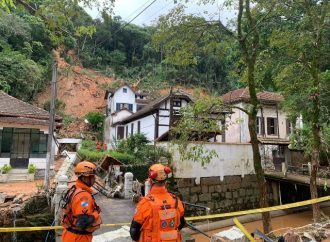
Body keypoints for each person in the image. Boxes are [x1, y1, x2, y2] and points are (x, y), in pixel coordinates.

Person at [130, 163, 186, 242]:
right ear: (166, 181)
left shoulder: (145, 203)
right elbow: (182, 223)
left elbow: (134, 232)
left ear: (150, 180)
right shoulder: (176, 200)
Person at [61, 161, 102, 242]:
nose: (94, 179)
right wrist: (96, 214)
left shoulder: (75, 189)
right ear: (84, 177)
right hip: (78, 238)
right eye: (92, 177)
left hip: (71, 236)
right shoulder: (83, 196)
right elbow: (83, 222)